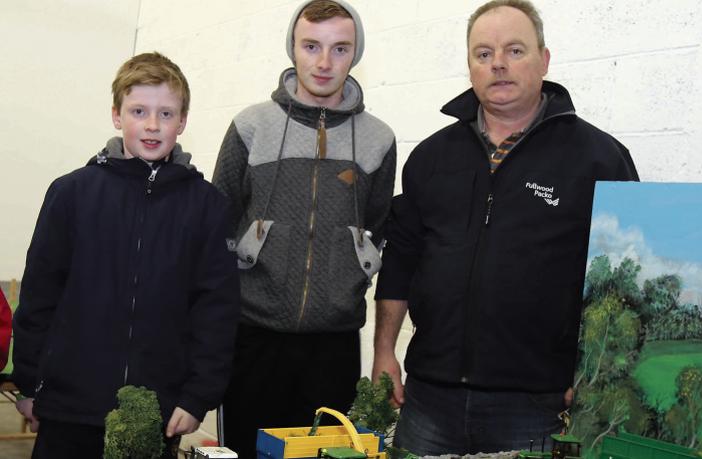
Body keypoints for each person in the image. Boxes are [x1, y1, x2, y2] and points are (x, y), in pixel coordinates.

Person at [372, 0, 639, 455]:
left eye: (515, 50)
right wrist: (383, 353)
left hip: (537, 404)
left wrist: (601, 373)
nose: (498, 64)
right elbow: (401, 260)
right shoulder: (431, 158)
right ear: (470, 65)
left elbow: (622, 286)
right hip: (429, 399)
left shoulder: (598, 159)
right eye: (483, 53)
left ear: (544, 60)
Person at [12, 52, 240, 458]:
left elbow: (216, 311)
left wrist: (197, 396)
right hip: (68, 406)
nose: (153, 125)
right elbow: (39, 298)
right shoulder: (71, 194)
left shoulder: (208, 207)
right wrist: (29, 385)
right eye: (139, 111)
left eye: (166, 114)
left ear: (183, 121)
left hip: (155, 412)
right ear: (117, 115)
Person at [211, 0, 396, 457]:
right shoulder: (250, 126)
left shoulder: (379, 140)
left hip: (333, 345)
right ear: (292, 47)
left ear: (356, 54)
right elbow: (217, 226)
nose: (324, 61)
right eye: (311, 46)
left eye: (340, 48)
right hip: (253, 336)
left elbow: (374, 227)